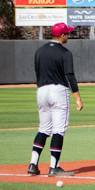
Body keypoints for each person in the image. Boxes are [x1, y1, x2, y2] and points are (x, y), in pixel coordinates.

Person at [28, 22, 83, 177]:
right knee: (58, 131)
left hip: (41, 90)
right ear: (63, 35)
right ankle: (54, 167)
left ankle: (33, 164)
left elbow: (37, 72)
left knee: (44, 129)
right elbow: (69, 76)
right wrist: (78, 99)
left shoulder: (39, 51)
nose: (68, 36)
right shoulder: (65, 53)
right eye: (67, 34)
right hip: (58, 91)